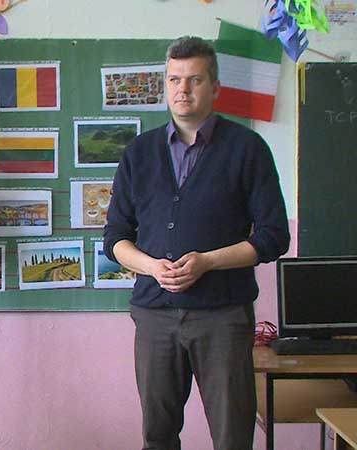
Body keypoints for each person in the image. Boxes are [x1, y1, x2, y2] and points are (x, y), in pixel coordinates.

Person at [103, 36, 290, 450]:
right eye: (174, 79)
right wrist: (152, 267)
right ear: (165, 85)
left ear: (215, 87)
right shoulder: (139, 152)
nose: (182, 90)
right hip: (154, 314)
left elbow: (274, 236)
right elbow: (115, 238)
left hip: (222, 316)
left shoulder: (247, 149)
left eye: (195, 80)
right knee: (158, 436)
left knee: (231, 436)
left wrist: (207, 261)